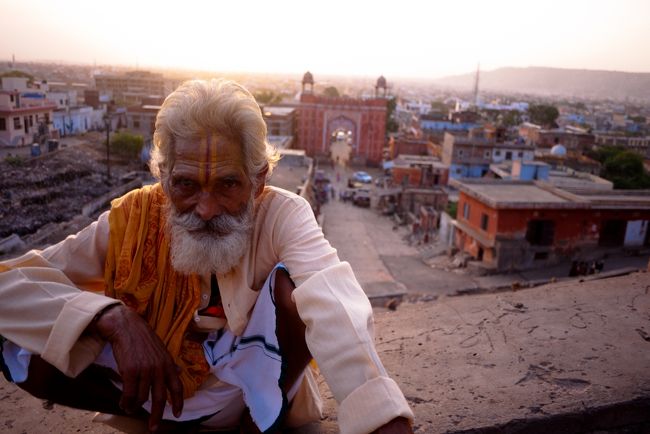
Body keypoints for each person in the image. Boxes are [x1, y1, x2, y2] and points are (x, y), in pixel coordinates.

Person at [0, 79, 413, 433]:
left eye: (227, 184)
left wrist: (381, 415)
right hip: (157, 390)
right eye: (185, 185)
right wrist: (111, 318)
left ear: (258, 180)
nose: (206, 207)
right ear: (163, 177)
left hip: (251, 389)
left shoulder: (282, 214)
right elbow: (12, 283)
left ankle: (262, 414)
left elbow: (332, 296)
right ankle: (168, 419)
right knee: (20, 346)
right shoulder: (133, 218)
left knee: (291, 287)